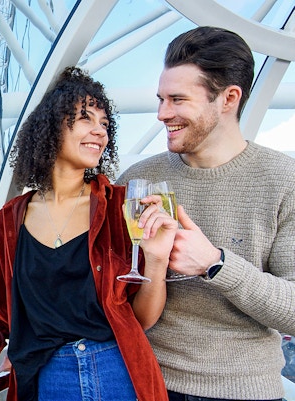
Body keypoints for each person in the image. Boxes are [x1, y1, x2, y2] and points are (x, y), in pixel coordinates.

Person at [0, 66, 176, 401]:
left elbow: (141, 320)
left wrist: (157, 260)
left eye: (104, 124)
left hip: (119, 374)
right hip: (47, 379)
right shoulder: (9, 221)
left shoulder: (122, 206)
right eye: (85, 118)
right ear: (51, 127)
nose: (99, 132)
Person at [117, 26, 295, 401]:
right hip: (143, 384)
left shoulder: (285, 181)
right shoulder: (137, 180)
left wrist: (215, 264)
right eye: (161, 99)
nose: (163, 114)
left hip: (246, 392)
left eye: (178, 99)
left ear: (228, 98)